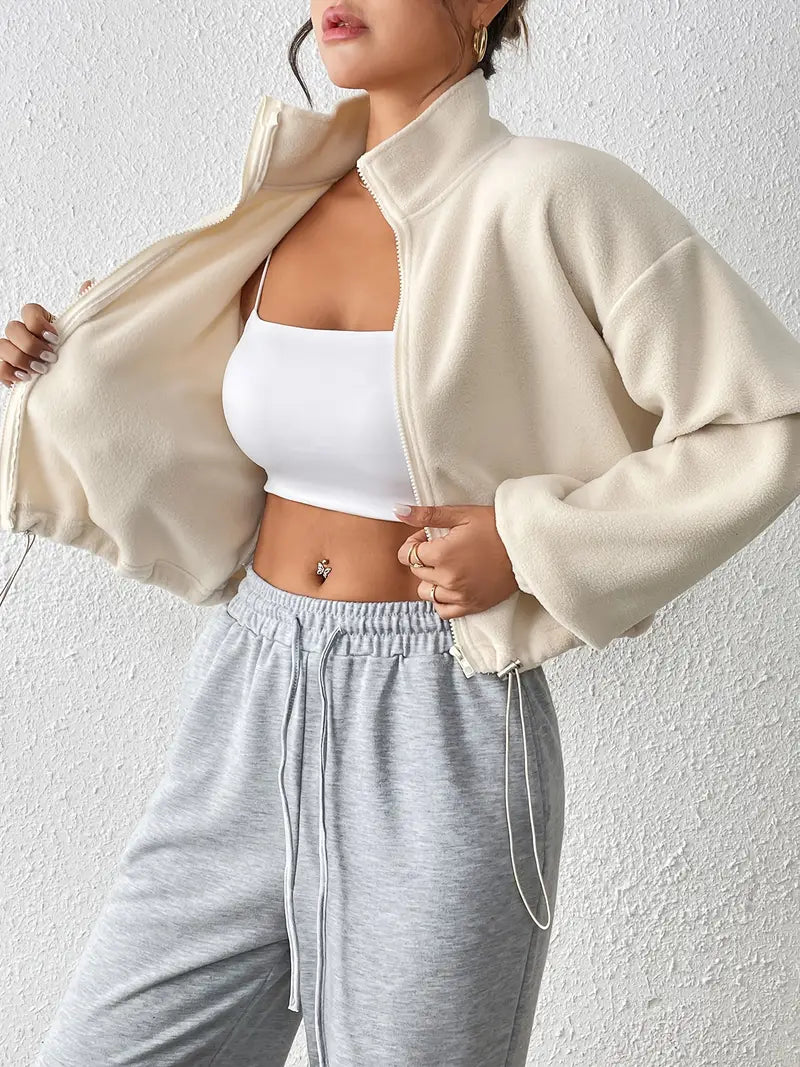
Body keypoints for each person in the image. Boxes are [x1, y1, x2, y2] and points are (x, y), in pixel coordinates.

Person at [2, 2, 798, 1065]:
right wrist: (62, 367)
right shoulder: (277, 207)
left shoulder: (551, 192)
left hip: (438, 714)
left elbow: (763, 417)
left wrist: (530, 539)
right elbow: (193, 430)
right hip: (247, 688)